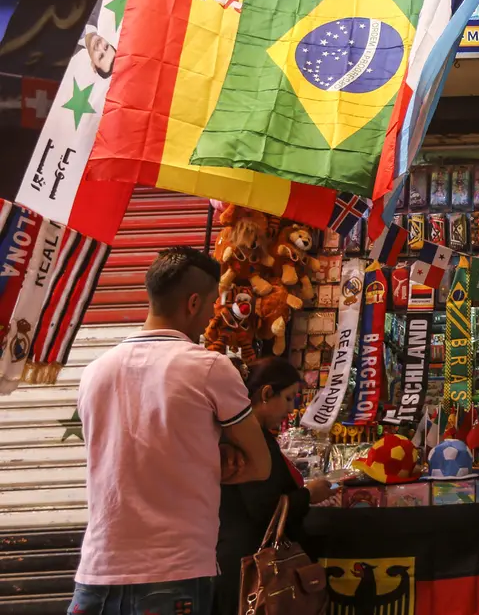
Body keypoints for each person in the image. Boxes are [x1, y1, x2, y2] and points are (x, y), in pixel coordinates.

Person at [70, 247, 271, 615]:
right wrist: (205, 459)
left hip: (96, 574)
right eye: (212, 305)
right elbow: (260, 465)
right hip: (174, 571)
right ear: (194, 303)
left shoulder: (95, 371)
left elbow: (119, 454)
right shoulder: (209, 368)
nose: (212, 315)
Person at [215, 357, 337, 615]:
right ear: (267, 393)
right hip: (249, 566)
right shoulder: (247, 441)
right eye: (289, 398)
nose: (291, 409)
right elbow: (262, 506)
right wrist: (308, 495)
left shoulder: (249, 436)